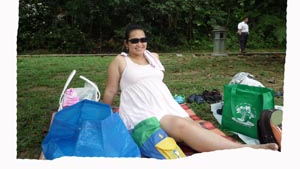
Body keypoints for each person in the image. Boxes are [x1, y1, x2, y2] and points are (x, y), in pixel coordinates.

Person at [103, 24, 278, 153]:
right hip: (141, 110)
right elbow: (111, 90)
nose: (140, 44)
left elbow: (154, 81)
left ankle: (239, 148)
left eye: (143, 40)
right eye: (134, 40)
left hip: (164, 104)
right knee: (182, 126)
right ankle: (246, 150)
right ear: (126, 43)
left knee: (190, 125)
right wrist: (101, 114)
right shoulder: (120, 61)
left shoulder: (153, 56)